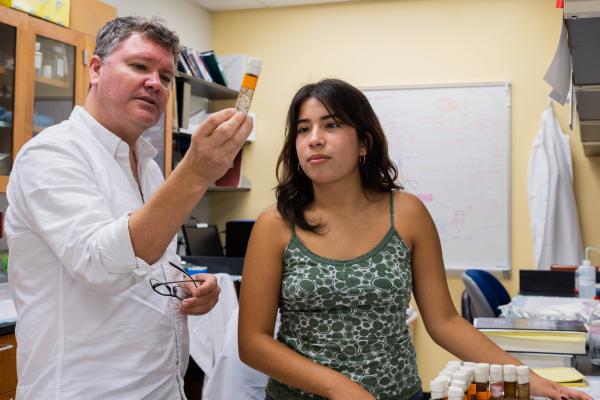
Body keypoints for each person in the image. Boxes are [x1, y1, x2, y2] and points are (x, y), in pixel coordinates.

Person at [238, 78, 592, 400]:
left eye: (331, 125)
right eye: (303, 129)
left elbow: (445, 322)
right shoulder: (276, 224)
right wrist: (337, 387)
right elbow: (252, 343)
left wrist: (529, 378)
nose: (314, 138)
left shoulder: (406, 213)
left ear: (364, 142)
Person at [5, 17, 252, 399]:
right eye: (139, 66)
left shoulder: (149, 167)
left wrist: (186, 283)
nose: (155, 83)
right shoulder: (51, 154)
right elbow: (102, 264)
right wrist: (194, 172)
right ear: (96, 69)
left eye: (166, 77)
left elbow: (149, 259)